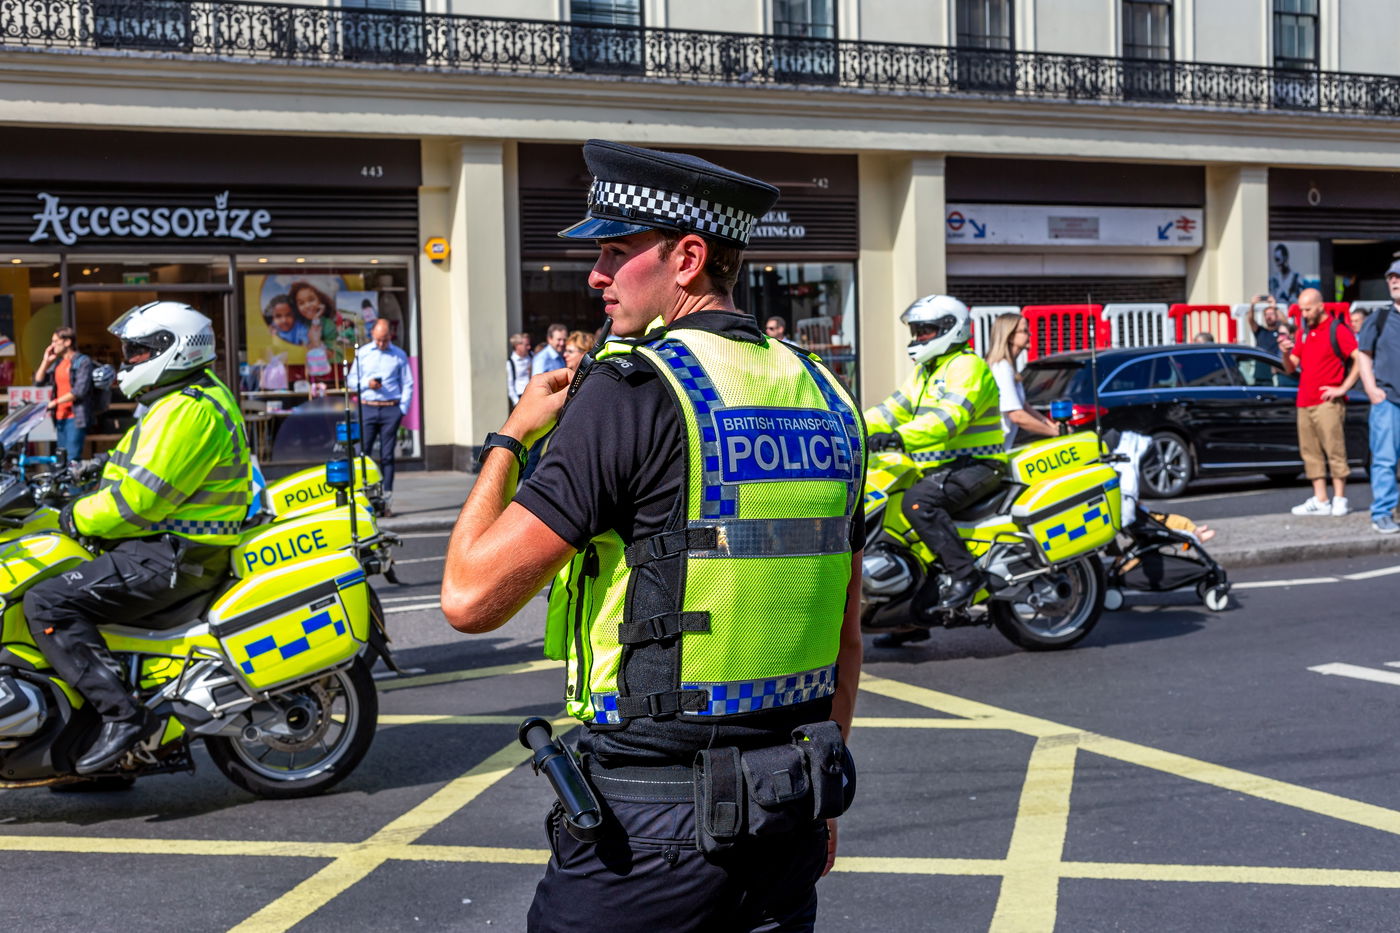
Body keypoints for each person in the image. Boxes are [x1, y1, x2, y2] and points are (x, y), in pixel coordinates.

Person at [441, 140, 863, 933]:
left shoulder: (633, 389)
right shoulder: (828, 395)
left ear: (688, 257)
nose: (595, 275)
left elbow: (468, 596)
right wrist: (819, 788)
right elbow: (844, 632)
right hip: (789, 813)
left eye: (616, 251)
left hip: (650, 837)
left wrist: (509, 437)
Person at [24, 302, 251, 774]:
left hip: (172, 556)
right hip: (167, 548)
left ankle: (123, 717)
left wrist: (72, 518)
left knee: (46, 602)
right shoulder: (176, 400)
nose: (127, 360)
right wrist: (81, 480)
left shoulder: (188, 411)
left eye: (138, 351)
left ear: (174, 350)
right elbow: (127, 471)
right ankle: (88, 752)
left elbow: (138, 502)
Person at [865, 294, 1005, 616]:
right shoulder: (925, 372)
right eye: (915, 332)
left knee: (918, 503)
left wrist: (897, 438)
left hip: (979, 465)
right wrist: (852, 424)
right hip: (942, 468)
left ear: (949, 329)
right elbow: (890, 410)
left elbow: (948, 419)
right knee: (895, 517)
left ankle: (966, 576)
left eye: (924, 331)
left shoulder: (969, 367)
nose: (917, 339)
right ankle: (905, 615)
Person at [1280, 289, 1358, 517]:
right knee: (1310, 452)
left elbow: (1358, 358)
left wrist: (1343, 388)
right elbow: (1290, 366)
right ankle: (1321, 499)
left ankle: (1340, 498)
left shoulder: (1337, 329)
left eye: (1308, 309)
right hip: (1305, 400)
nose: (1304, 314)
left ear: (1320, 306)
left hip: (1328, 402)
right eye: (1302, 309)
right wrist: (1285, 353)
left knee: (1335, 449)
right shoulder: (1304, 333)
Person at [347, 318, 414, 513]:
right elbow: (351, 380)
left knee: (387, 455)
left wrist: (402, 408)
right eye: (377, 340)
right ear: (372, 336)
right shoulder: (364, 353)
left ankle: (387, 499)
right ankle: (363, 496)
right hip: (367, 407)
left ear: (389, 337)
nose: (381, 344)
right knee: (363, 453)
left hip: (390, 408)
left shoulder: (398, 355)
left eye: (384, 340)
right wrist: (367, 383)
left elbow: (408, 383)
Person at [1358, 261, 1400, 534]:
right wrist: (1371, 389)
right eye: (1391, 278)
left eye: (1399, 277)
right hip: (1388, 401)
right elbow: (1363, 354)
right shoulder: (1380, 318)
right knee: (1385, 459)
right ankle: (1383, 512)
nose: (1394, 281)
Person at [984, 313, 1057, 450]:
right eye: (1024, 331)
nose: (1030, 334)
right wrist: (1054, 433)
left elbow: (1023, 406)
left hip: (1001, 447)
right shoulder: (1001, 367)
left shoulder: (1008, 367)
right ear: (1010, 336)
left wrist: (1050, 424)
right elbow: (1016, 415)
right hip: (994, 450)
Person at [34, 326, 94, 464]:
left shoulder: (83, 362)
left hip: (75, 417)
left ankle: (75, 486)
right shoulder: (59, 364)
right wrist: (46, 361)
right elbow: (38, 381)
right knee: (61, 460)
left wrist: (54, 402)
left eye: (55, 341)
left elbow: (79, 391)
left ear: (67, 342)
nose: (52, 345)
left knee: (72, 459)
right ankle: (66, 486)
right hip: (59, 417)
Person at [507, 332, 533, 409]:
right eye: (526, 345)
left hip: (533, 393)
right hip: (521, 396)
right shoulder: (510, 363)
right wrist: (517, 402)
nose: (529, 347)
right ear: (517, 346)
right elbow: (510, 386)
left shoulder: (532, 356)